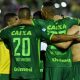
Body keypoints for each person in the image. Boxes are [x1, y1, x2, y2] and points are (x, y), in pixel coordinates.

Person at [40, 1, 80, 80]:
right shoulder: (73, 25)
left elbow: (63, 45)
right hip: (71, 64)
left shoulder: (75, 28)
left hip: (75, 65)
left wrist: (47, 37)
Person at [0, 13, 19, 80]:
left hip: (15, 71)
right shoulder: (2, 33)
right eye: (16, 19)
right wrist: (11, 26)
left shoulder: (16, 35)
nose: (18, 21)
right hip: (3, 72)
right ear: (9, 22)